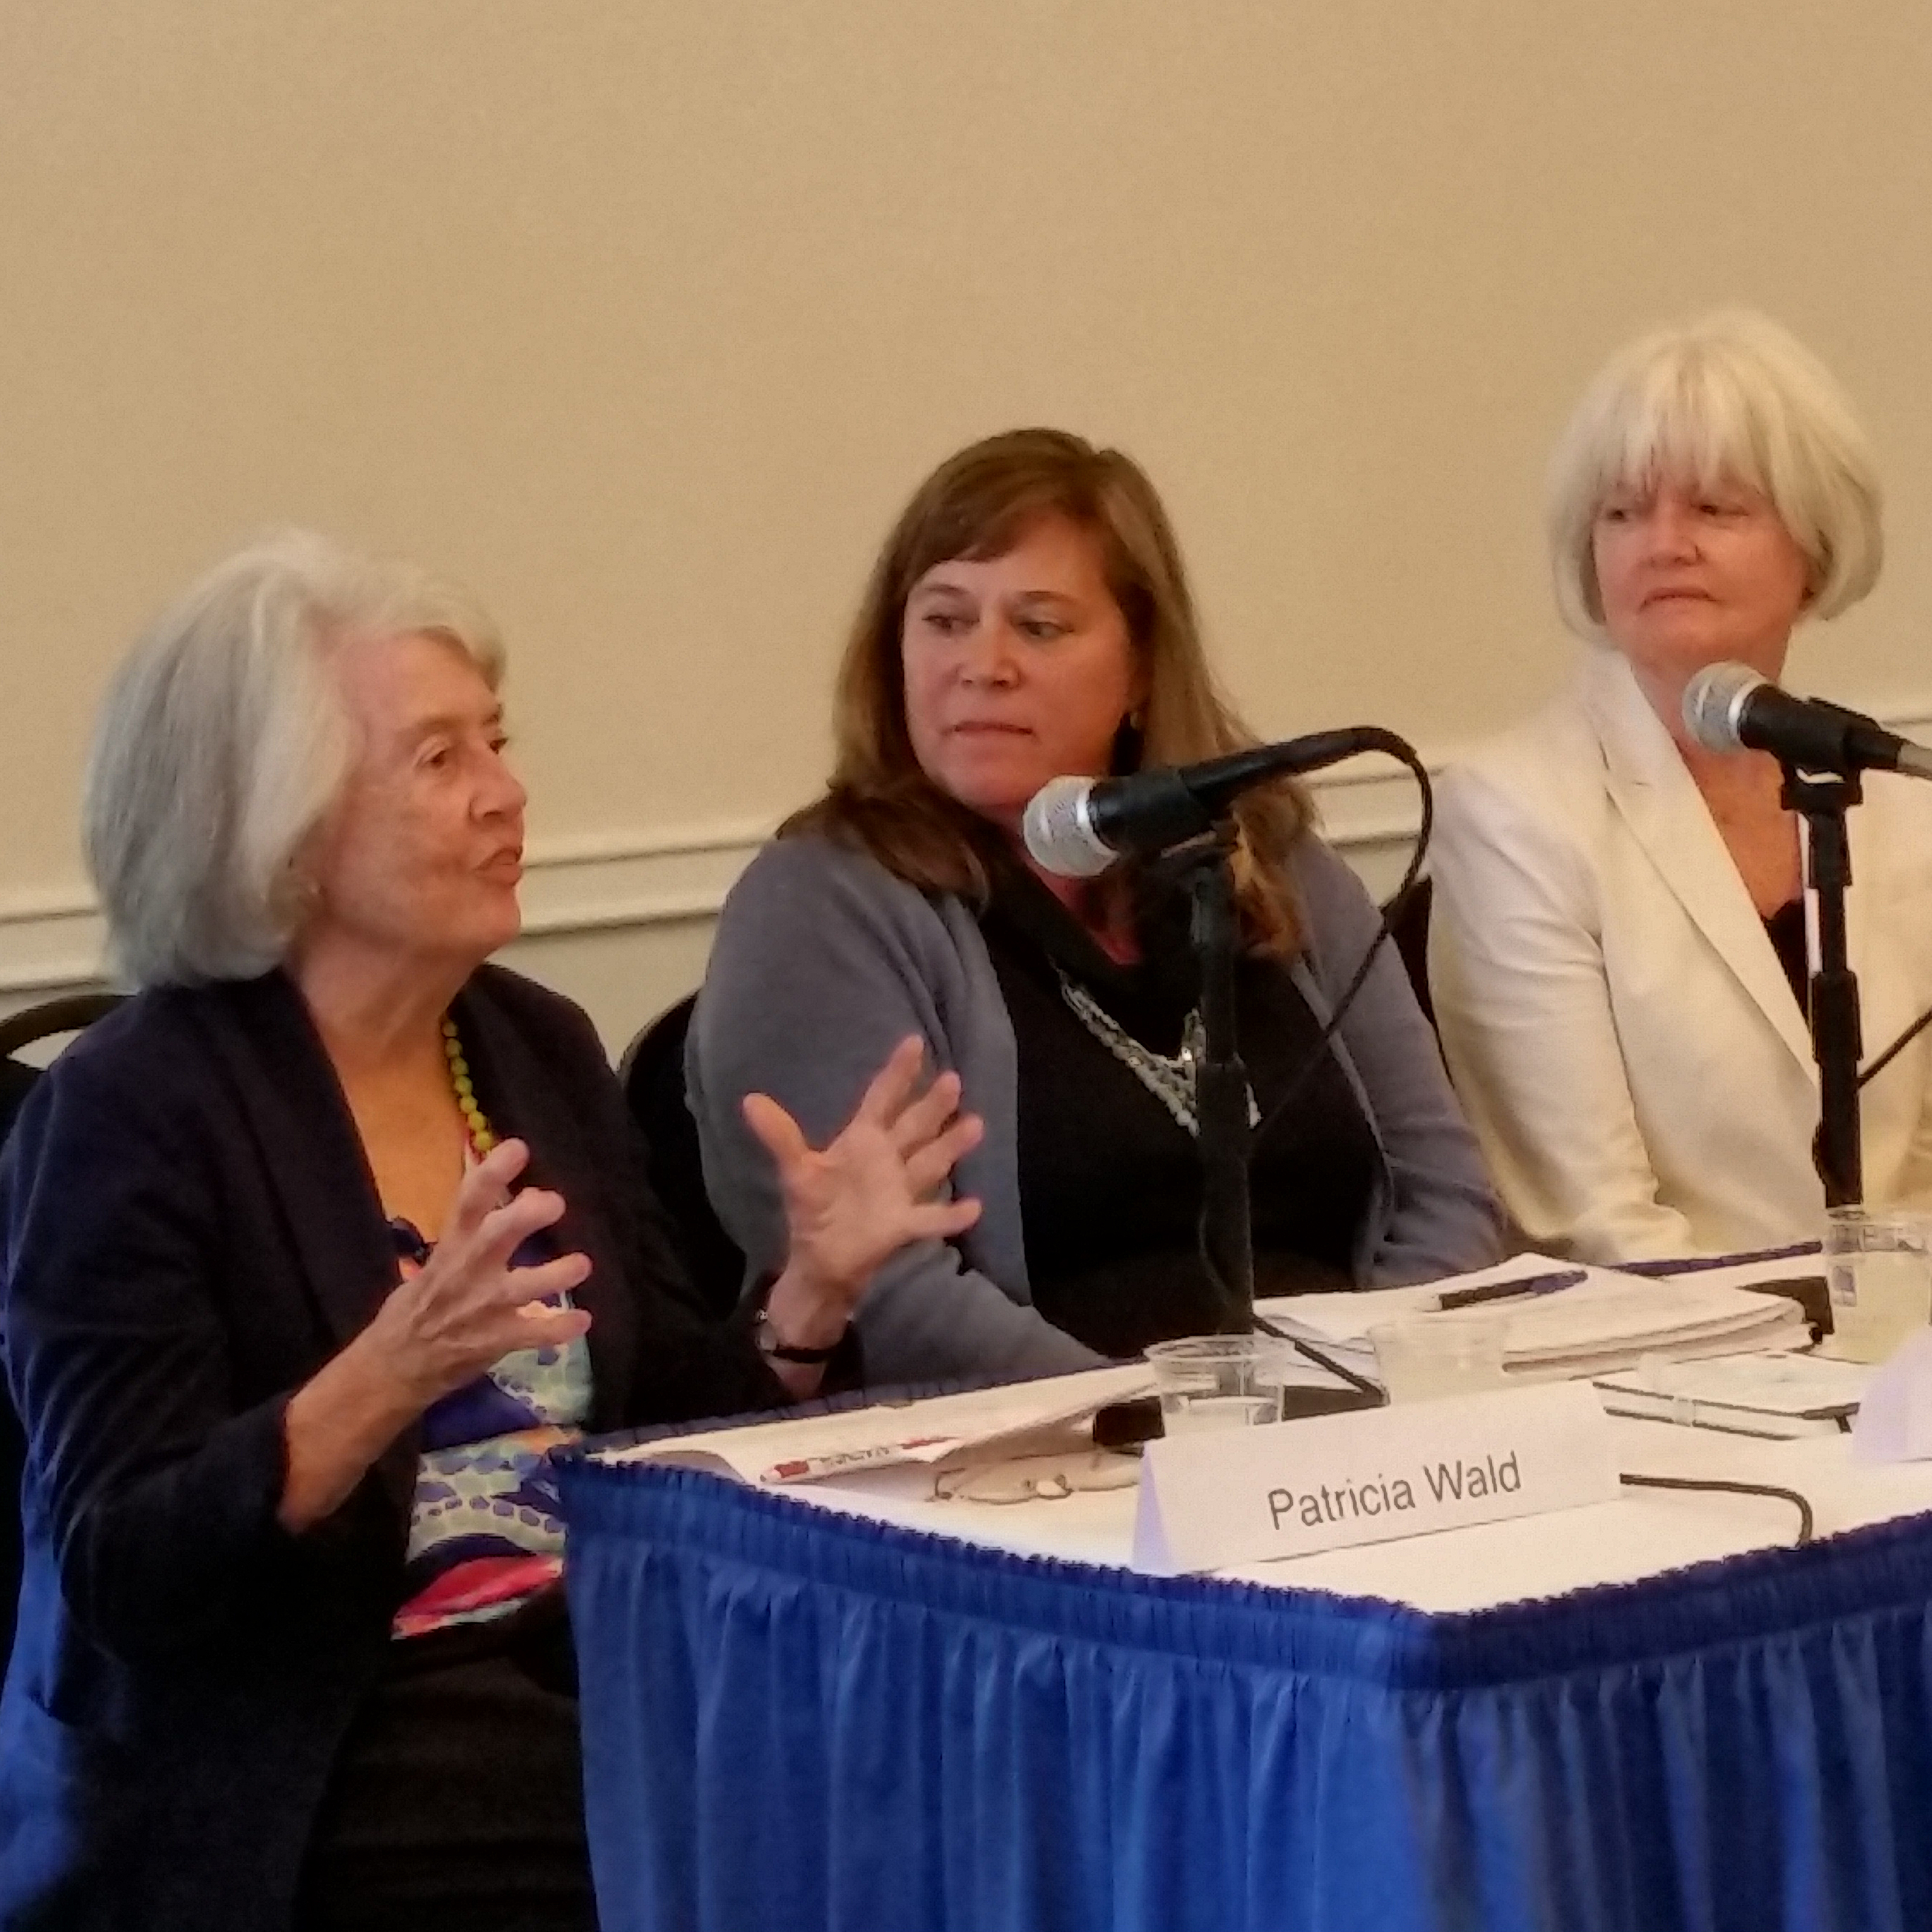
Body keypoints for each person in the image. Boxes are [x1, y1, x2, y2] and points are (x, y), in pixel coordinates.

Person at [0, 533, 982, 1932]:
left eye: (497, 743)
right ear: (275, 822)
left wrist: (811, 1295)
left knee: (936, 1780)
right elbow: (121, 1568)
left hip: (589, 1664)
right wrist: (380, 1377)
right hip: (323, 1743)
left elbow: (656, 1426)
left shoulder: (527, 1045)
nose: (506, 793)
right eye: (439, 759)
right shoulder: (129, 1113)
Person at [689, 428, 1501, 1383]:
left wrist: (1369, 1386)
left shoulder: (1268, 860)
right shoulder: (823, 900)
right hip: (1049, 1451)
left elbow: (1443, 1189)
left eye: (1037, 626)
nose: (982, 664)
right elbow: (893, 1289)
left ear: (1142, 667)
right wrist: (1162, 1421)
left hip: (1353, 1431)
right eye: (945, 620)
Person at [1428, 310, 1932, 1263]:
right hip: (1664, 1369)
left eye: (1712, 508)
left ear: (1812, 546)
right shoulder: (1512, 809)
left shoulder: (1898, 801)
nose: (1663, 544)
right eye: (1621, 513)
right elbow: (1594, 1225)